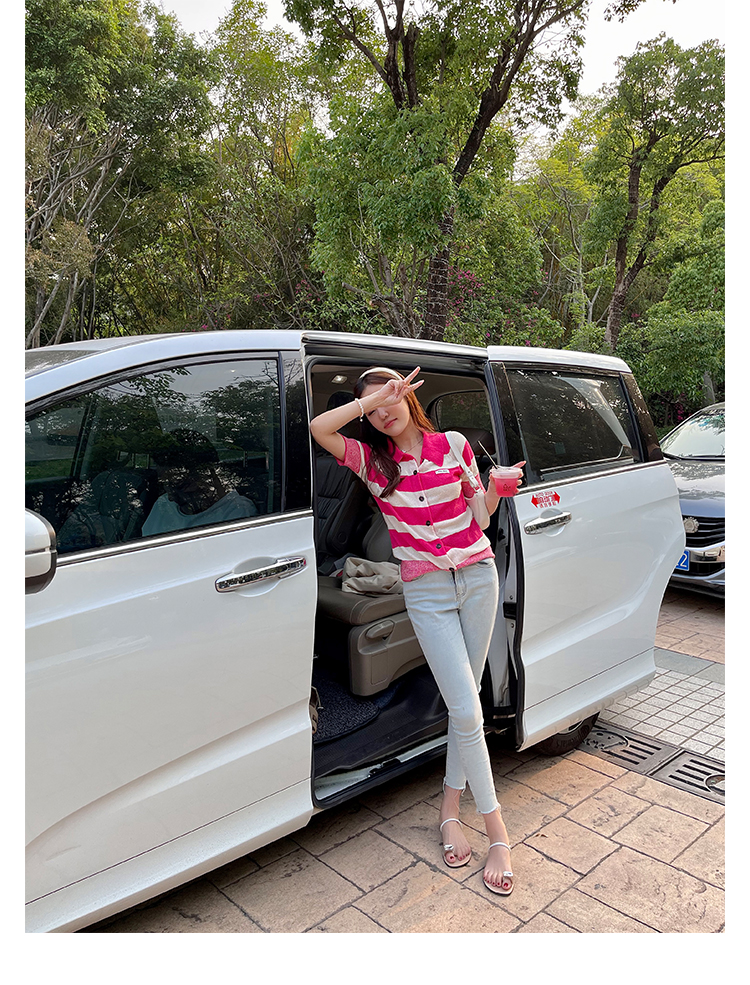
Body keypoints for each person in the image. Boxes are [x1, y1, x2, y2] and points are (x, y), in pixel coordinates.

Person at [309, 366, 524, 896]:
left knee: (464, 706)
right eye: (375, 404)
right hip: (426, 592)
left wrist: (496, 491)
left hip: (478, 578)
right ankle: (497, 831)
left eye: (393, 396)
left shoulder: (454, 445)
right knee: (467, 709)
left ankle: (449, 810)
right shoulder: (373, 463)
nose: (386, 409)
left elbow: (479, 516)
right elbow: (319, 428)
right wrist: (370, 400)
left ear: (410, 396)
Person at [142, 428, 257, 537]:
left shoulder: (237, 512)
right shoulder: (162, 505)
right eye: (166, 484)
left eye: (179, 485)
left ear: (205, 474)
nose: (171, 497)